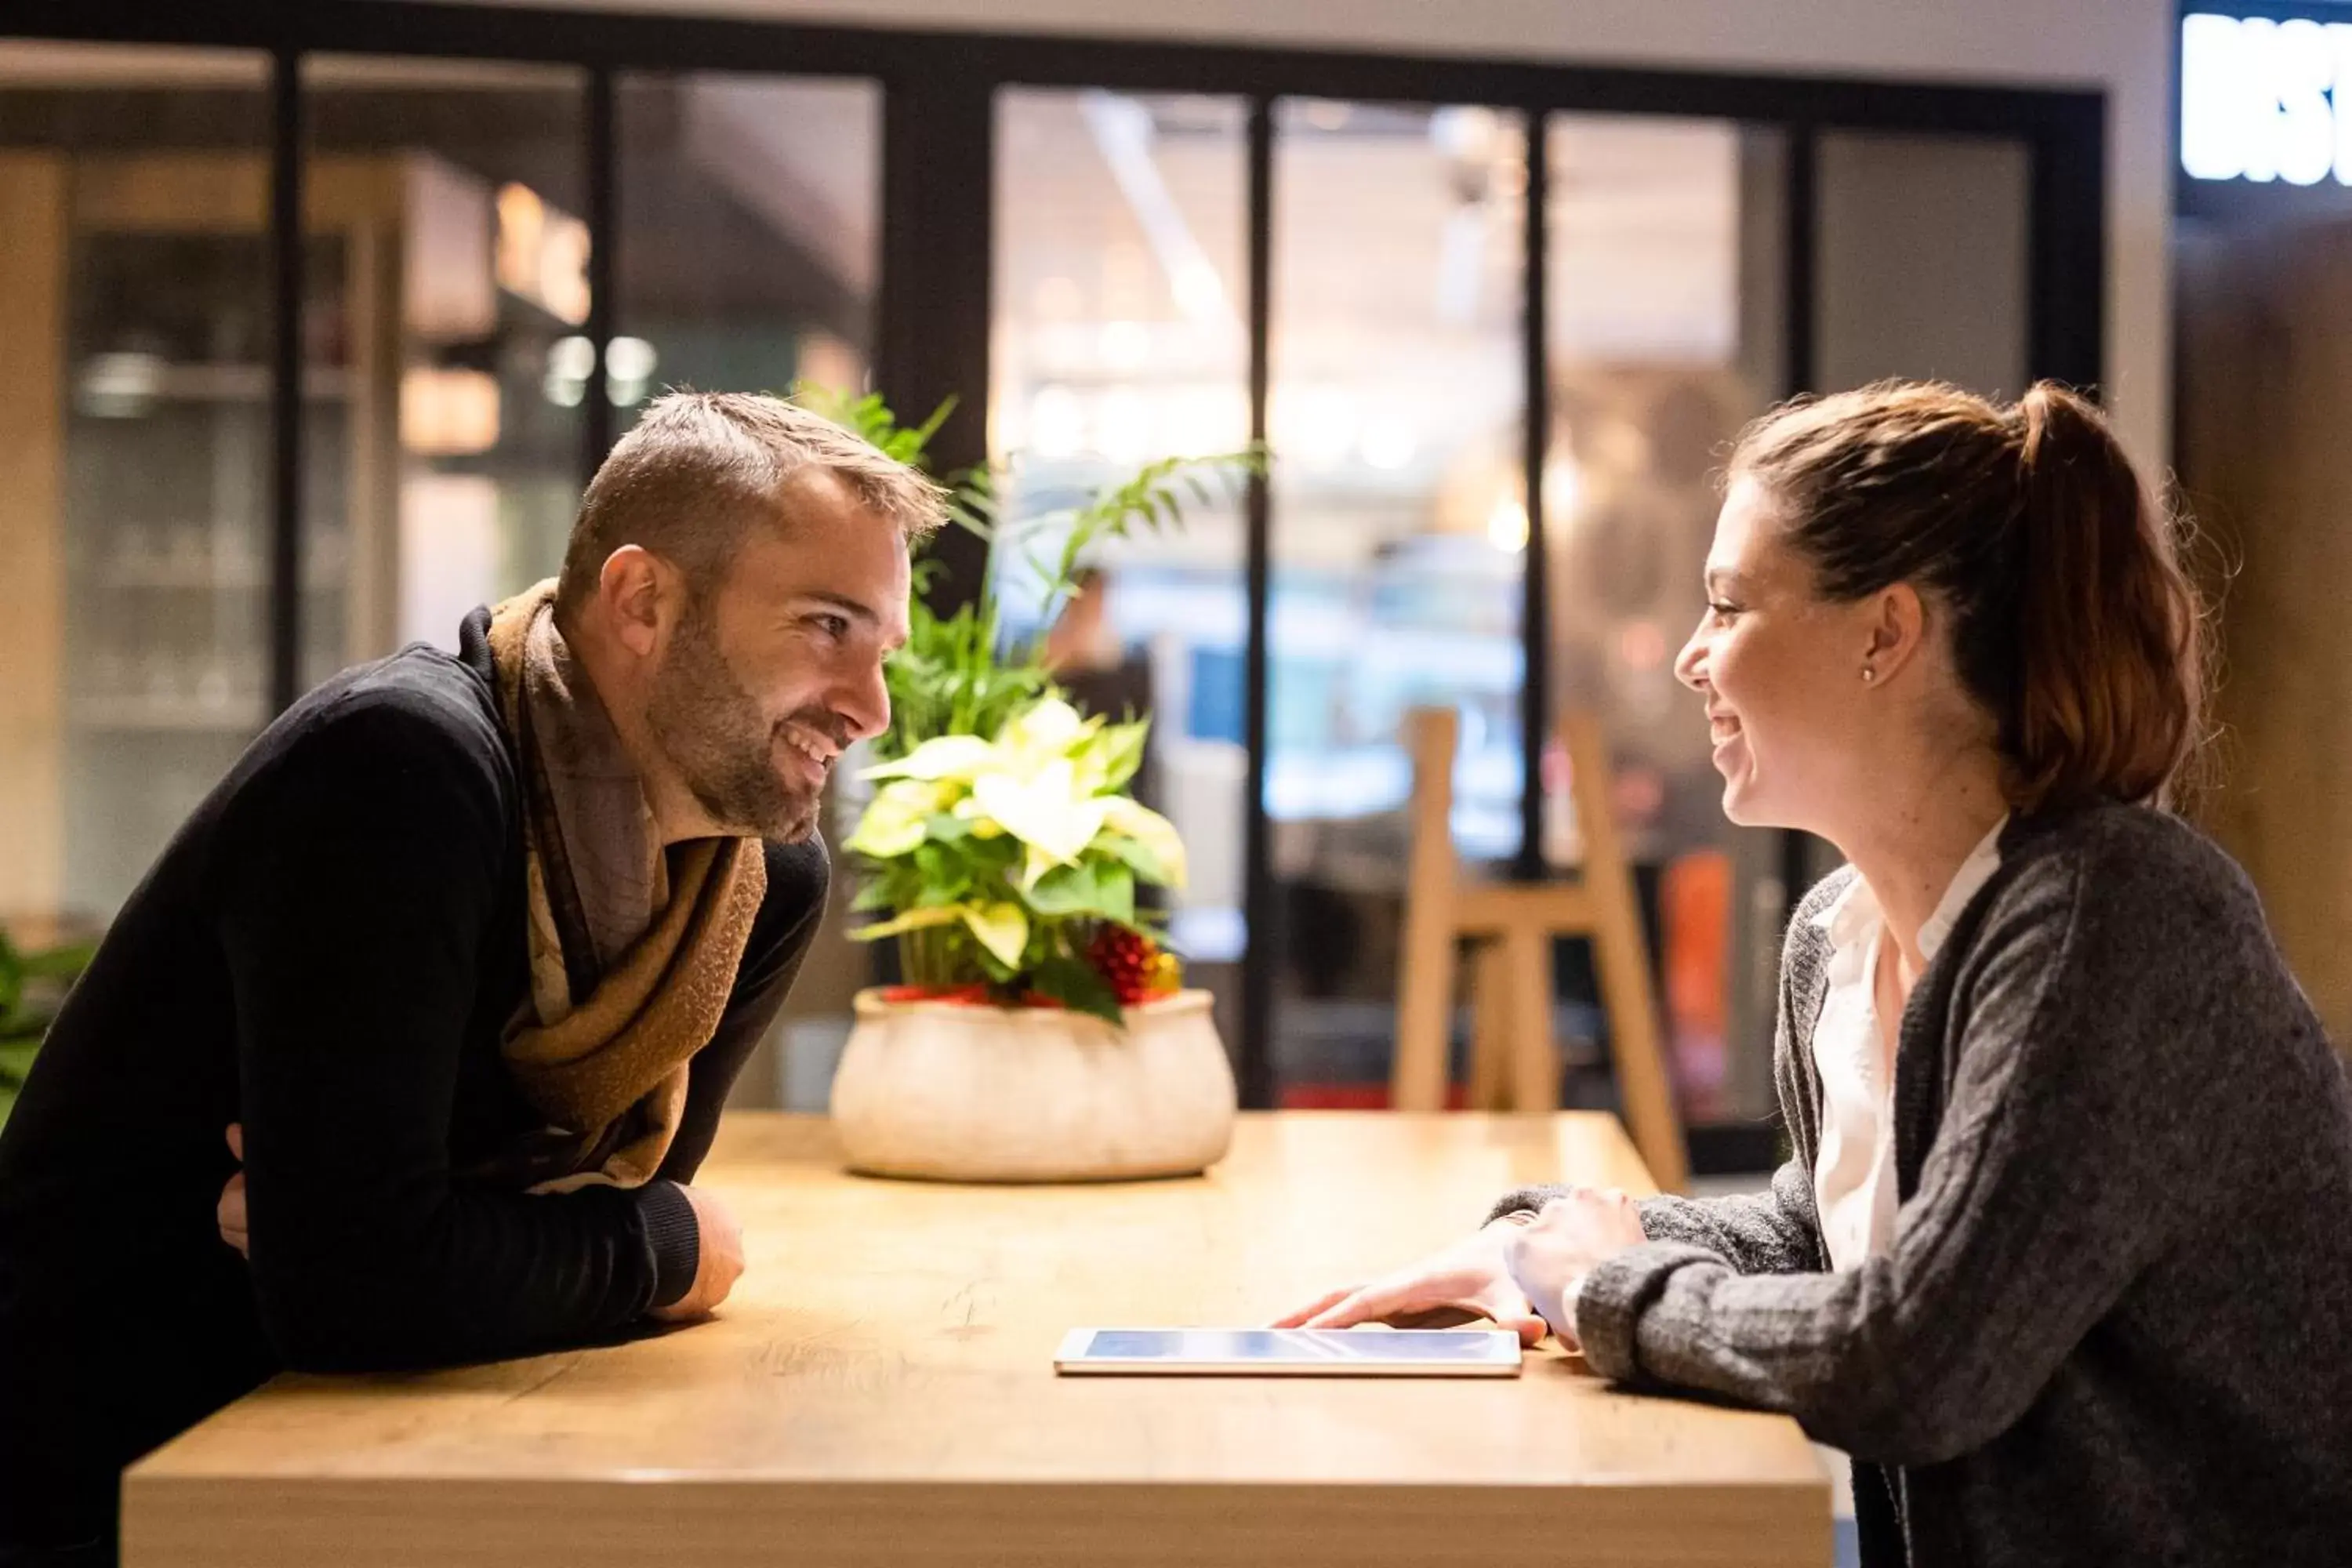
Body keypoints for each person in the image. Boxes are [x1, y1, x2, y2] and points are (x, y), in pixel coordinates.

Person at [1277, 380, 2352, 1564]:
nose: (1691, 659)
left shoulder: (2114, 921)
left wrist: (1605, 1293)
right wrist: (1558, 1240)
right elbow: (1824, 1235)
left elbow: (1926, 1358)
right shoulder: (1836, 940)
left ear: (1884, 635)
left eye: (1728, 606)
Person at [0, 392, 942, 1564]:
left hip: (390, 1452)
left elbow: (495, 1260)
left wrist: (451, 1236)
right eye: (825, 628)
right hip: (121, 1481)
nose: (869, 707)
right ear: (644, 601)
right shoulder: (402, 769)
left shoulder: (748, 891)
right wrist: (662, 1244)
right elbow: (369, 1290)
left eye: (880, 651)